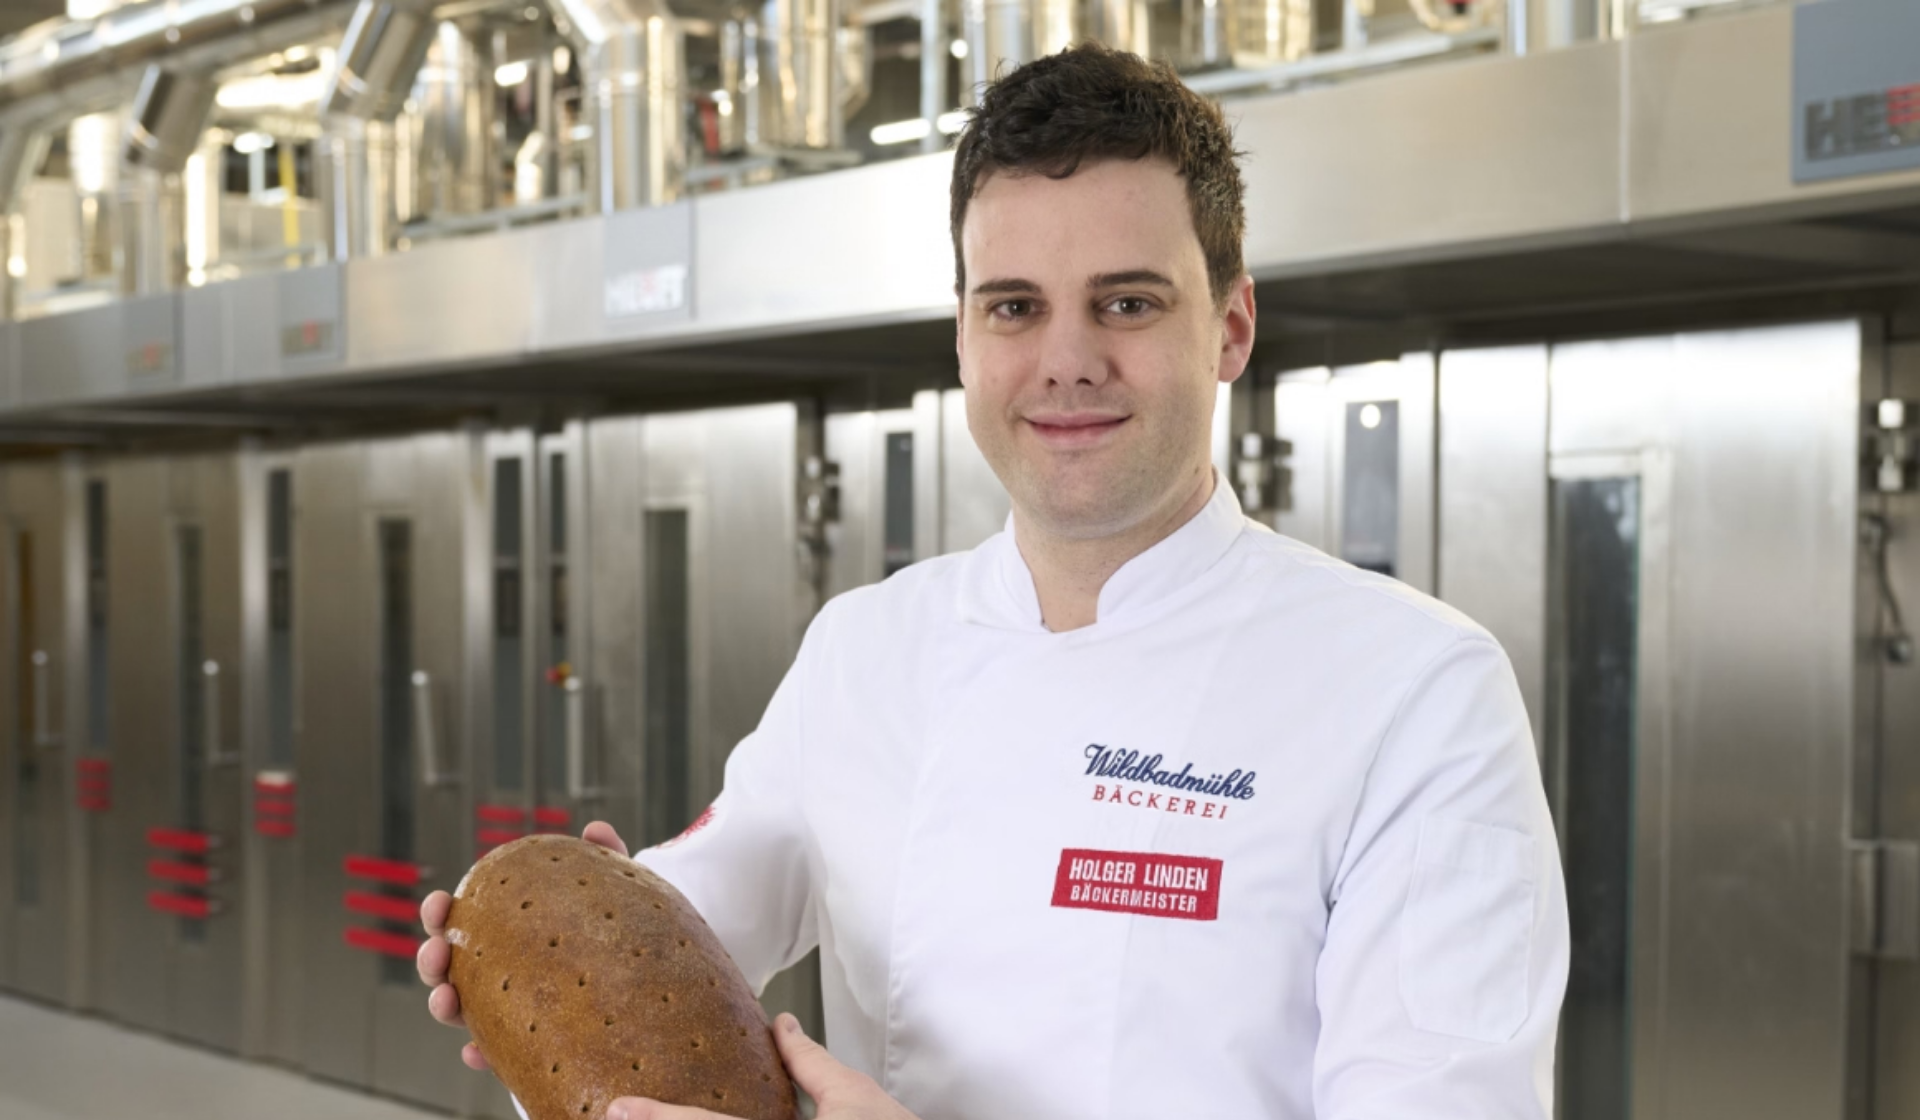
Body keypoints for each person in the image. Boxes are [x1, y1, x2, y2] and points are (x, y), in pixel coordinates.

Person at [419, 43, 1568, 1120]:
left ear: (1230, 326)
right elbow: (711, 899)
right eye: (1015, 306)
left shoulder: (1414, 692)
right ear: (965, 338)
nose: (1066, 360)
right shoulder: (867, 647)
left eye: (1128, 302)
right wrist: (564, 943)